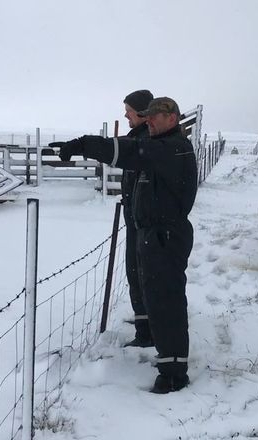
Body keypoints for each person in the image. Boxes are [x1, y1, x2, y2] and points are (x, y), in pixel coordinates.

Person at [50, 97, 197, 394]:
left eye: (156, 116)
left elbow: (129, 151)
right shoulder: (163, 146)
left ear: (173, 118)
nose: (151, 121)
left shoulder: (172, 149)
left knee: (167, 302)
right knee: (157, 299)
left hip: (165, 237)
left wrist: (82, 144)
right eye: (148, 116)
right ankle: (167, 359)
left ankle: (174, 373)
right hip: (154, 235)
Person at [120, 89, 154, 348]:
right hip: (137, 217)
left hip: (141, 220)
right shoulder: (142, 137)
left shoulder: (145, 141)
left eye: (129, 111)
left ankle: (146, 332)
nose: (125, 115)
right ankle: (145, 323)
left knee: (139, 272)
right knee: (138, 272)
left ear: (142, 113)